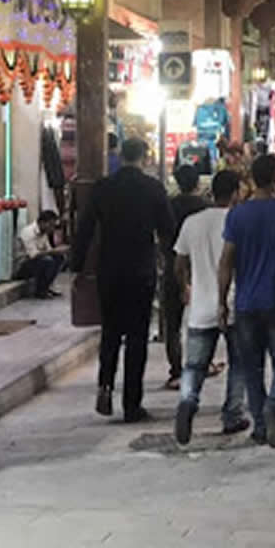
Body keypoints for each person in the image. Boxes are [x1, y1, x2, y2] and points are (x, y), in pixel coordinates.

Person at [73, 138, 174, 423]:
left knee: (111, 333)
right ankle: (132, 403)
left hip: (110, 270)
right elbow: (168, 229)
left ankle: (105, 386)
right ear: (143, 157)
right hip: (141, 271)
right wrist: (173, 261)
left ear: (121, 156)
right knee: (137, 338)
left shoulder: (103, 188)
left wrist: (77, 267)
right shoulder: (153, 188)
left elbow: (85, 230)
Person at [218, 154, 275, 448]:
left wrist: (221, 301)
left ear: (252, 179)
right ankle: (274, 404)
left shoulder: (237, 215)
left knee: (252, 367)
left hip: (246, 302)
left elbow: (226, 261)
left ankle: (259, 425)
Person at [173, 170, 250, 444]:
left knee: (194, 366)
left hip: (201, 306)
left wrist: (185, 288)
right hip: (234, 303)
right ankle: (233, 415)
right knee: (238, 363)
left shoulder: (192, 223)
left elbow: (179, 263)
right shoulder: (239, 222)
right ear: (235, 194)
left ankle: (187, 401)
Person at [162, 164, 210, 390]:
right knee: (204, 321)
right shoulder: (205, 208)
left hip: (174, 265)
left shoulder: (168, 206)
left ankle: (175, 371)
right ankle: (201, 364)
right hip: (202, 267)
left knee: (173, 323)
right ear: (198, 183)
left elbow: (162, 237)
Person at [16, 210, 65, 299]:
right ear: (42, 223)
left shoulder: (44, 234)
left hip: (38, 261)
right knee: (47, 261)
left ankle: (47, 286)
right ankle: (40, 290)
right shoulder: (28, 232)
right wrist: (51, 252)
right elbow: (33, 255)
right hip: (23, 264)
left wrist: (57, 251)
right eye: (50, 225)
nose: (52, 229)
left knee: (59, 258)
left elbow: (48, 249)